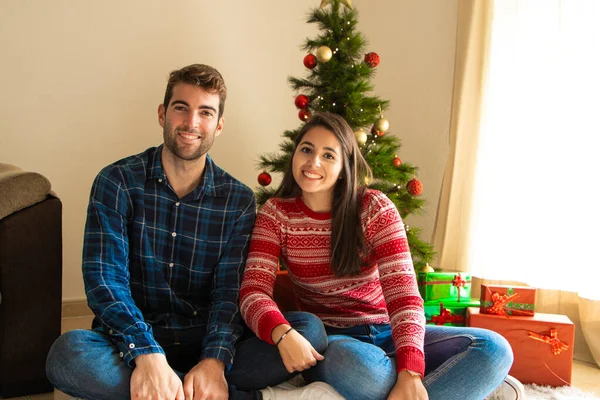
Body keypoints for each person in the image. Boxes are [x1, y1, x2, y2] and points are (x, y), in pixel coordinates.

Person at [239, 112, 515, 400]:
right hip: (337, 344)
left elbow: (404, 294)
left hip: (388, 332)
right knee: (364, 375)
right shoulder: (276, 214)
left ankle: (412, 384)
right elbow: (253, 292)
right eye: (306, 149)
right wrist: (282, 332)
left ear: (346, 166)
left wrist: (410, 371)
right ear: (294, 154)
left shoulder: (374, 207)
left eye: (329, 155)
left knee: (494, 350)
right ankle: (455, 387)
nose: (313, 162)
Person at [46, 64, 262, 400]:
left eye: (205, 112)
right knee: (67, 355)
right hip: (131, 342)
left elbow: (228, 294)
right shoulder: (115, 181)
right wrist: (146, 353)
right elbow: (104, 280)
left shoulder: (239, 200)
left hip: (201, 339)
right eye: (181, 108)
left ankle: (171, 389)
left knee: (304, 330)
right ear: (163, 114)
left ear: (218, 125)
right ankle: (208, 393)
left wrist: (214, 360)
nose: (191, 123)